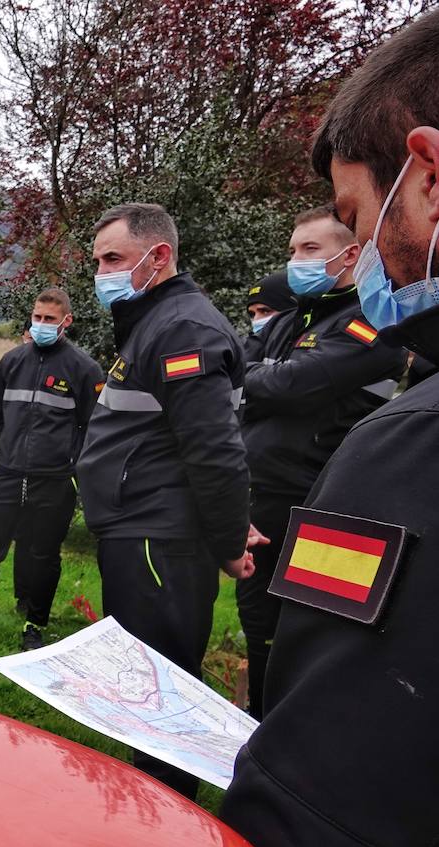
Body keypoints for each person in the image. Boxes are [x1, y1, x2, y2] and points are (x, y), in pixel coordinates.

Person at [221, 14, 439, 847]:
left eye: (355, 219)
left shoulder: (409, 452)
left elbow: (327, 823)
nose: (354, 258)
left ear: (427, 178)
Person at [74, 203, 257, 800]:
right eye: (97, 260)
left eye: (113, 259)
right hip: (141, 528)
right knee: (144, 683)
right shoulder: (155, 322)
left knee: (163, 687)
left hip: (157, 539)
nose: (100, 272)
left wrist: (229, 543)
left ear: (159, 257)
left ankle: (168, 811)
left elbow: (214, 450)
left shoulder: (183, 329)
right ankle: (150, 801)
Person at [234, 209, 406, 720]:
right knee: (258, 621)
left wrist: (265, 376)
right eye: (292, 251)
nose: (295, 262)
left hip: (322, 502)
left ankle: (295, 738)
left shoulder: (373, 321)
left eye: (309, 250)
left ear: (349, 255)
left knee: (309, 628)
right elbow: (238, 371)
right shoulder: (291, 318)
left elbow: (290, 386)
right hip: (263, 491)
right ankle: (257, 729)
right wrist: (268, 375)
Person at [0, 288, 102, 650]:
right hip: (6, 473)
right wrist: (3, 447)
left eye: (49, 319)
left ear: (66, 321)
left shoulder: (84, 370)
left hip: (52, 481)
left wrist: (71, 462)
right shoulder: (11, 361)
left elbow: (93, 425)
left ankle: (33, 626)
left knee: (43, 556)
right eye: (37, 318)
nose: (41, 325)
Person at [241, 270, 295, 362]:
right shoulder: (244, 351)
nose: (256, 320)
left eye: (265, 311)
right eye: (252, 314)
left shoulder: (308, 351)